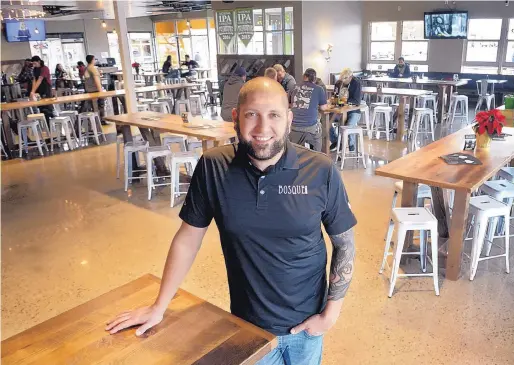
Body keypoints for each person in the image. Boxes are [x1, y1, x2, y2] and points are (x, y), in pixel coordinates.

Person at [105, 77, 357, 365]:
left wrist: (330, 314)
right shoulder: (214, 166)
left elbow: (345, 242)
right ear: (236, 116)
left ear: (289, 119)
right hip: (248, 327)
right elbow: (188, 238)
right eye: (252, 115)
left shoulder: (320, 170)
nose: (263, 128)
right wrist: (159, 305)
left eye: (274, 115)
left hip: (308, 327)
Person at [289, 68, 328, 152]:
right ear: (314, 79)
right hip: (310, 126)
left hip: (293, 125)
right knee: (321, 131)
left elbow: (289, 104)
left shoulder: (294, 86)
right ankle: (317, 156)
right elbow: (323, 108)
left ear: (304, 76)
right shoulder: (319, 89)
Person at [329, 68, 362, 152]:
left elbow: (357, 101)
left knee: (348, 125)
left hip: (354, 111)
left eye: (345, 79)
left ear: (350, 77)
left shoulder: (356, 83)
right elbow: (335, 96)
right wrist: (334, 99)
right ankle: (336, 141)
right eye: (341, 79)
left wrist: (344, 100)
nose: (343, 81)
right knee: (326, 122)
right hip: (339, 110)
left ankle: (351, 145)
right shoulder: (338, 83)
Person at [80, 55, 106, 123]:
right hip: (95, 91)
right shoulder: (92, 68)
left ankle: (98, 121)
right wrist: (101, 92)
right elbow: (97, 81)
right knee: (98, 107)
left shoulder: (86, 68)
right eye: (94, 59)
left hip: (89, 91)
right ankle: (99, 122)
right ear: (92, 60)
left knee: (95, 107)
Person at [29, 56, 55, 121]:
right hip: (38, 89)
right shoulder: (35, 69)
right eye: (33, 64)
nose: (34, 65)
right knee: (40, 105)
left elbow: (40, 79)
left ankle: (51, 119)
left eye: (35, 63)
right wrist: (32, 91)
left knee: (47, 105)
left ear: (39, 62)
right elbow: (34, 80)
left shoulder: (44, 68)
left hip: (46, 88)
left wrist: (33, 91)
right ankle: (45, 121)